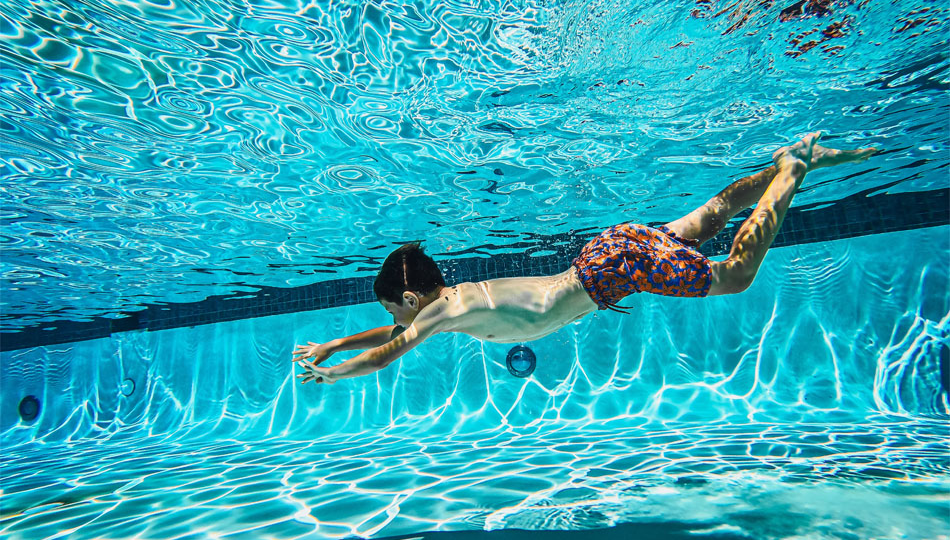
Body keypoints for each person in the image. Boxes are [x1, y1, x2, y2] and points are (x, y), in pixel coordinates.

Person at [294, 134, 876, 384]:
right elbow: (390, 330)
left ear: (412, 299)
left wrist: (334, 370)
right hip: (602, 253)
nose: (401, 321)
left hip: (608, 271)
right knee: (713, 215)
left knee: (735, 276)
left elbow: (388, 352)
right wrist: (332, 342)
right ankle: (790, 165)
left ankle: (791, 171)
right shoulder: (454, 299)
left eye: (398, 310)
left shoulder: (440, 313)